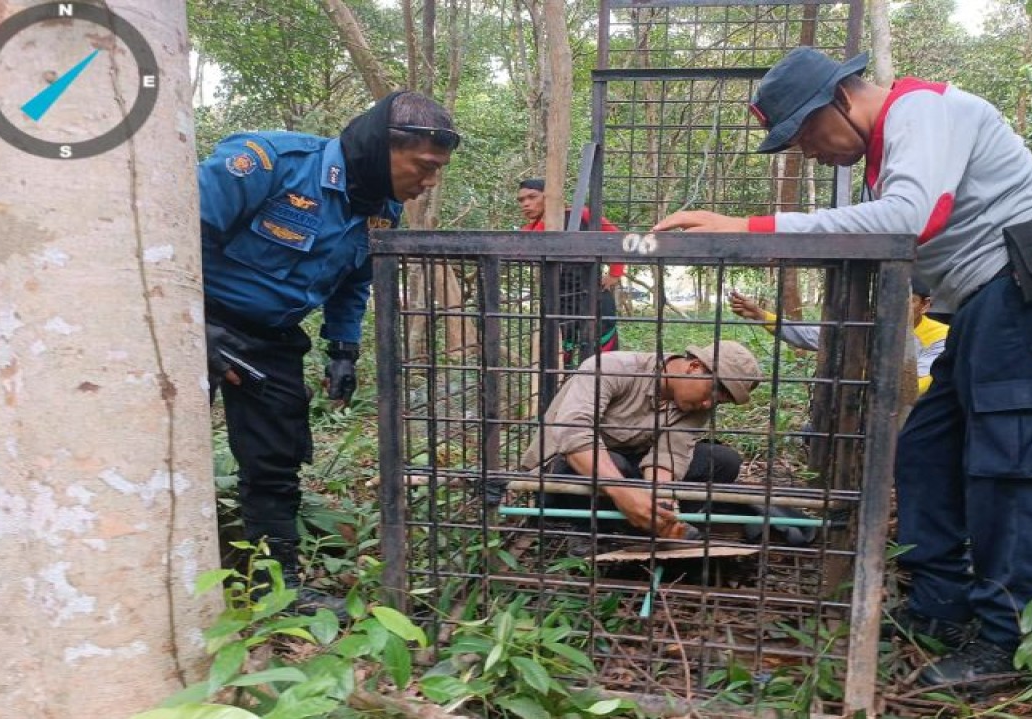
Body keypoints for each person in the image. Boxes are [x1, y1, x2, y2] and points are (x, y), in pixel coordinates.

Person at [653, 47, 1032, 687]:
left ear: (840, 100)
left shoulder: (922, 110)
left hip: (1022, 296)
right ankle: (939, 607)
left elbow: (906, 223)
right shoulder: (888, 152)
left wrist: (750, 225)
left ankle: (1012, 638)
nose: (808, 152)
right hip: (979, 306)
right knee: (926, 451)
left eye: (805, 134)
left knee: (1011, 464)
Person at [199, 91, 459, 619]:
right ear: (382, 147)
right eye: (425, 166)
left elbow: (353, 282)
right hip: (194, 320)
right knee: (163, 449)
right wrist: (192, 325)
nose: (430, 181)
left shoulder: (382, 211)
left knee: (275, 461)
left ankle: (276, 589)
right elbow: (170, 231)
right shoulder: (267, 165)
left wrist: (342, 347)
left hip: (273, 338)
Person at [520, 341, 763, 541]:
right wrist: (623, 492)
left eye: (719, 401)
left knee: (722, 460)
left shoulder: (697, 404)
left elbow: (669, 455)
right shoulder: (613, 367)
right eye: (712, 392)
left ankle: (653, 524)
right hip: (569, 468)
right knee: (614, 466)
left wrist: (663, 502)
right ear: (694, 367)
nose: (709, 404)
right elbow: (574, 433)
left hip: (629, 466)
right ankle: (592, 533)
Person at [728, 278, 948, 395]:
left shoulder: (940, 336)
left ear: (925, 305)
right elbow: (813, 336)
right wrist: (761, 315)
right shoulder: (868, 326)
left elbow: (920, 386)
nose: (897, 308)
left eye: (908, 301)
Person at [517, 178, 626, 368]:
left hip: (594, 299)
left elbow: (617, 238)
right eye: (521, 200)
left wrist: (615, 274)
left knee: (603, 358)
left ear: (548, 197)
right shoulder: (531, 229)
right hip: (561, 303)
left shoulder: (582, 215)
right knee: (560, 359)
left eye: (532, 197)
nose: (526, 204)